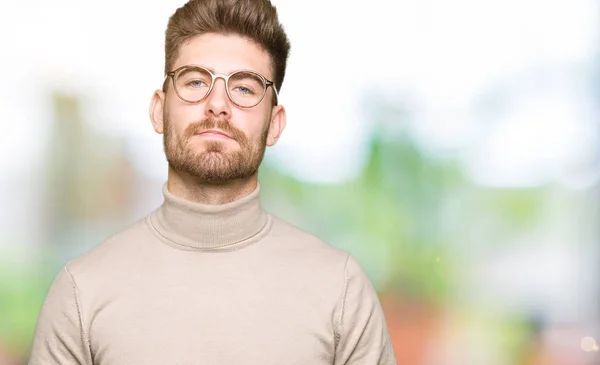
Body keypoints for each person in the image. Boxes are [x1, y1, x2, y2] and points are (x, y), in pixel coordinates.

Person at [28, 0, 397, 364]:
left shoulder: (341, 289)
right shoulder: (81, 291)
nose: (217, 104)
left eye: (244, 88)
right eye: (195, 81)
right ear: (159, 109)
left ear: (275, 123)